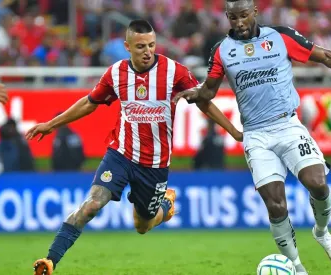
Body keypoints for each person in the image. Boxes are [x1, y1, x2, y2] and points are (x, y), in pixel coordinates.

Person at [173, 1, 331, 274]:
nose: (239, 23)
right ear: (227, 18)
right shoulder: (221, 51)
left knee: (318, 183)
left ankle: (322, 231)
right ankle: (298, 268)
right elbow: (208, 92)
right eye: (233, 18)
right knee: (275, 205)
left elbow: (323, 55)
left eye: (243, 16)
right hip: (256, 135)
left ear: (254, 12)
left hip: (288, 125)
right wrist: (199, 97)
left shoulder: (280, 37)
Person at [27, 19, 242, 275]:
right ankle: (50, 261)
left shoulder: (175, 72)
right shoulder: (116, 73)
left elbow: (204, 101)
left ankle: (165, 206)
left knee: (142, 225)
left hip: (155, 164)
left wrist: (234, 132)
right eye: (140, 46)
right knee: (92, 204)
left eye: (151, 45)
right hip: (120, 154)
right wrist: (51, 124)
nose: (147, 51)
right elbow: (89, 103)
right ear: (127, 46)